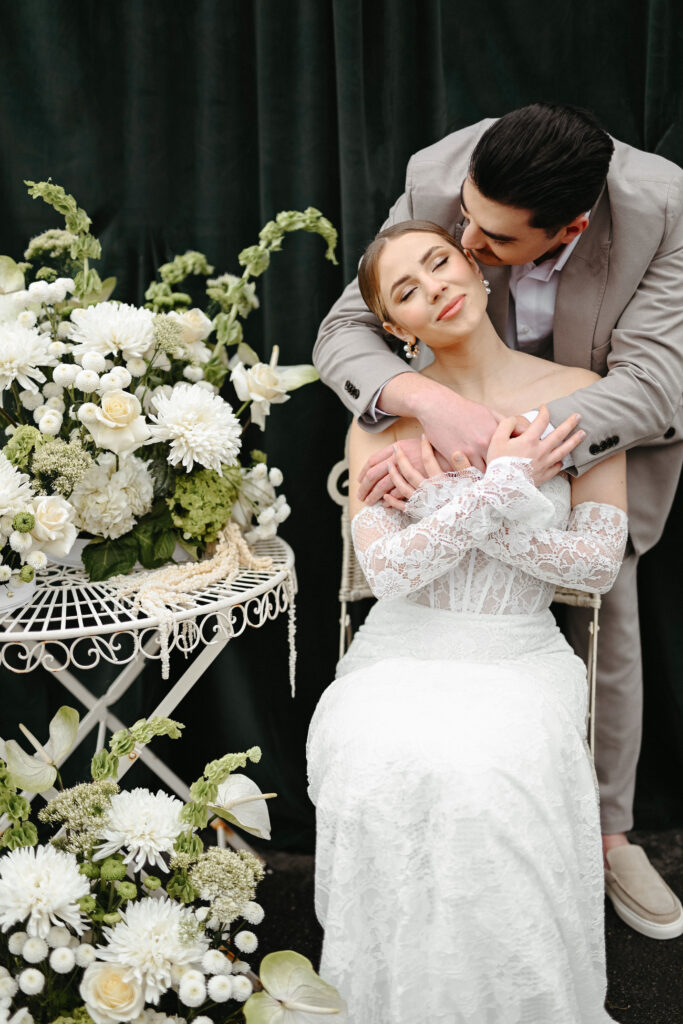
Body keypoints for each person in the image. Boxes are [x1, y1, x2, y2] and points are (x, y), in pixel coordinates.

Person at [313, 103, 683, 939]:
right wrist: (424, 404)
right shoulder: (439, 177)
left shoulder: (664, 207)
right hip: (452, 416)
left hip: (591, 429)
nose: (466, 248)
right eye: (460, 229)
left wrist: (506, 451)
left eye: (491, 244)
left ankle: (607, 831)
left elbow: (655, 385)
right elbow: (347, 325)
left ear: (570, 228)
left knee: (607, 612)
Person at [307, 221, 630, 1023]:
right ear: (393, 326)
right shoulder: (381, 419)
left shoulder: (578, 391)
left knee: (487, 780)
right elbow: (388, 572)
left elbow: (594, 566)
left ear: (477, 269)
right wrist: (506, 482)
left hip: (518, 655)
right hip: (400, 654)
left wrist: (488, 494)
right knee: (377, 758)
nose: (433, 289)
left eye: (438, 264)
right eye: (405, 291)